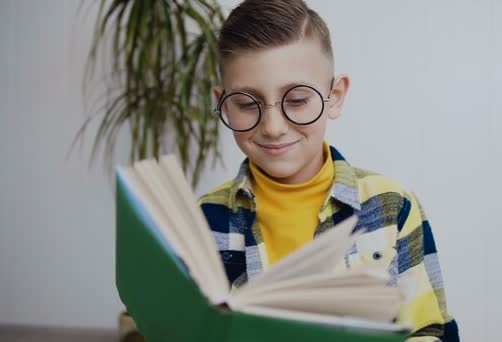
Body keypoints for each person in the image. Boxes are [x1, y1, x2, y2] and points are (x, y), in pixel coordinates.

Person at [193, 0, 460, 341]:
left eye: (297, 100)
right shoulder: (204, 221)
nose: (273, 127)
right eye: (247, 104)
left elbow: (429, 330)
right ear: (224, 104)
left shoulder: (392, 207)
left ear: (335, 96)